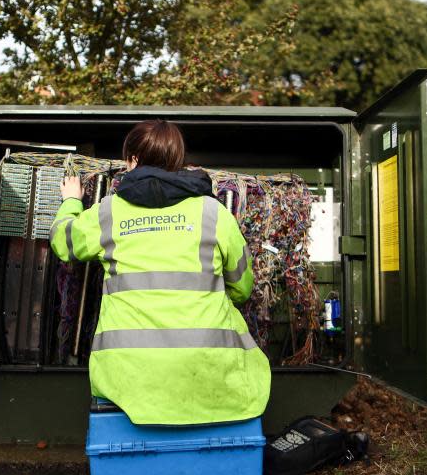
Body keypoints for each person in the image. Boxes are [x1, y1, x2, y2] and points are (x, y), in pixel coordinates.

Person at [49, 120, 271, 425]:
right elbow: (242, 289)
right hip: (210, 369)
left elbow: (63, 242)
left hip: (127, 377)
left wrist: (71, 201)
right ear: (178, 161)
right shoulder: (213, 213)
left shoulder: (108, 212)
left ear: (133, 160)